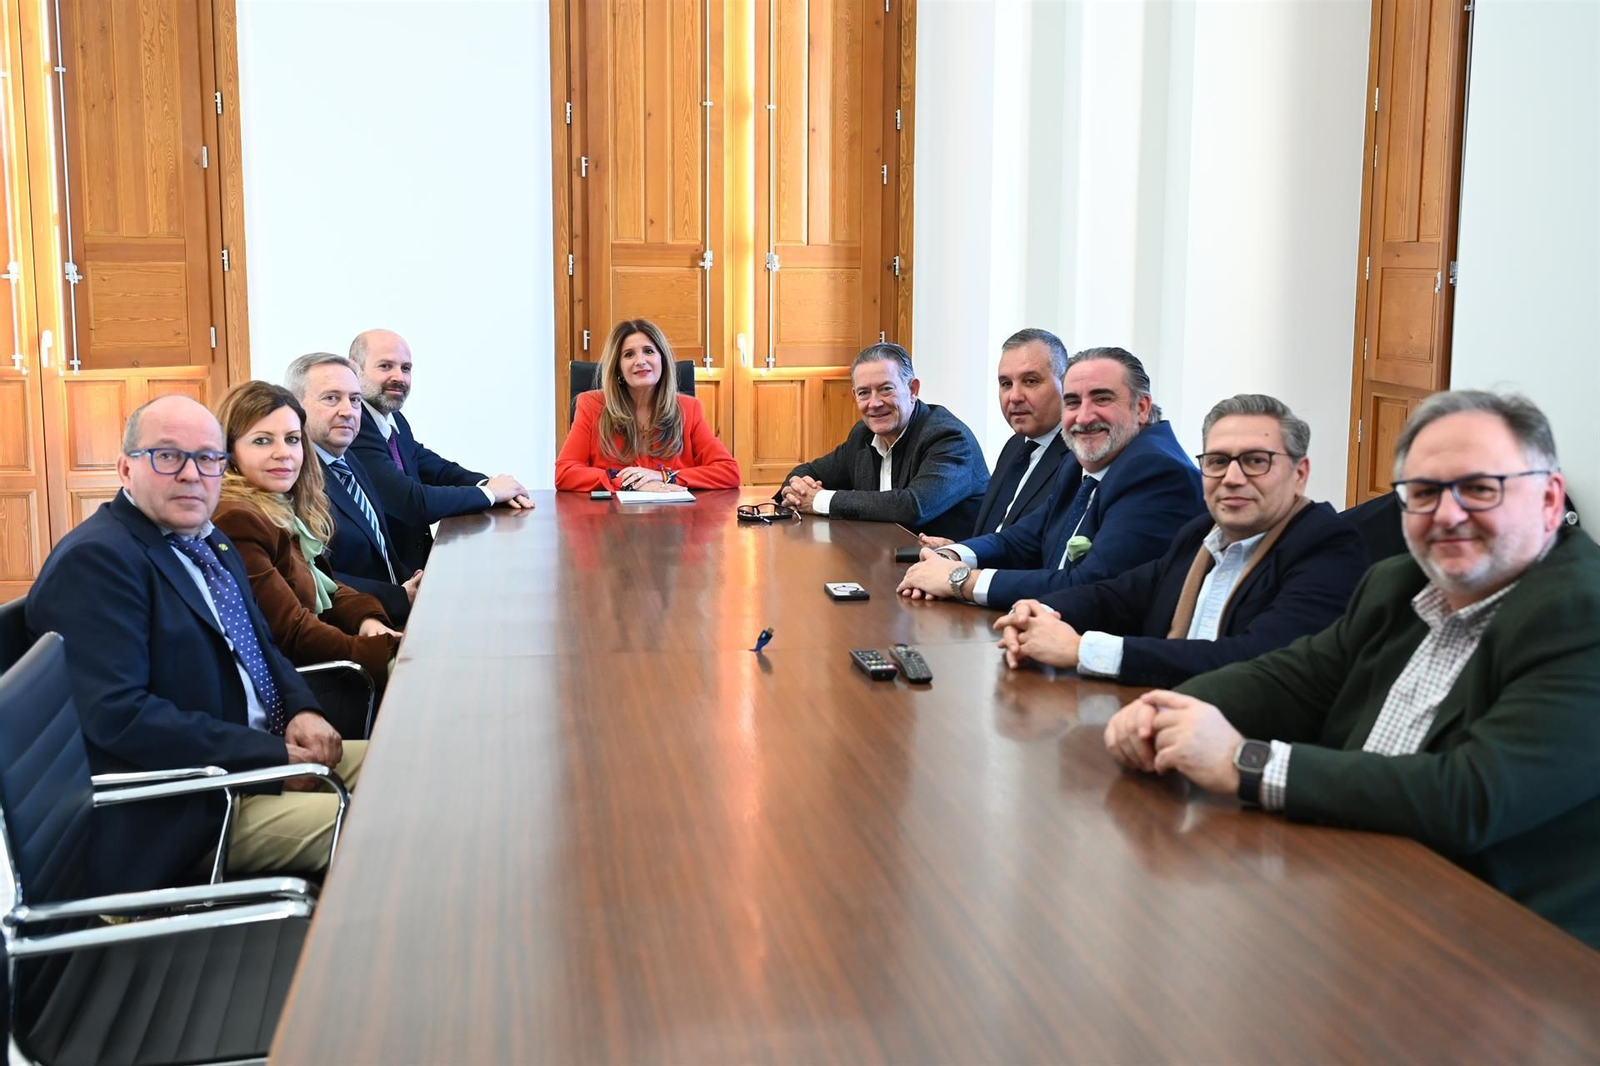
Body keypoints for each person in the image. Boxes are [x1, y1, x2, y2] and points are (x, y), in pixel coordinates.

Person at [1104, 391, 1600, 949]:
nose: (1447, 515)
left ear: (1549, 498)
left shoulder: (1582, 613)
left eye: (1481, 489)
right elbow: (1295, 678)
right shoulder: (1397, 583)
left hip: (1503, 944)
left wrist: (1245, 762)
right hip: (1354, 882)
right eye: (1424, 492)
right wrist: (1172, 709)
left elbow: (1473, 796)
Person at [25, 395, 362, 893]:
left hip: (253, 755)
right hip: (189, 805)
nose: (191, 474)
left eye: (207, 458)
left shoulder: (208, 539)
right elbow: (121, 718)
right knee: (387, 827)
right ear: (125, 468)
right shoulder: (98, 561)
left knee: (410, 768)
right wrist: (268, 757)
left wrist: (302, 709)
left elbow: (262, 647)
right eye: (167, 456)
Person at [994, 394, 1368, 687]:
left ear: (1300, 474)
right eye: (1217, 461)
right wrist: (1038, 612)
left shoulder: (1328, 547)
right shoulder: (1202, 534)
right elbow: (1119, 595)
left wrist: (1081, 649)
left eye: (1256, 461)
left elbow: (1253, 659)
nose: (1232, 478)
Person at [897, 346, 1203, 607]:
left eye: (1101, 399)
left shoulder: (1157, 472)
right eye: (1073, 402)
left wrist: (959, 580)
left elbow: (1089, 586)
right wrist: (951, 555)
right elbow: (1023, 539)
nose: (1083, 417)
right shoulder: (1080, 462)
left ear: (1142, 407)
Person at [211, 380, 401, 697]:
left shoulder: (278, 504)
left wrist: (367, 619)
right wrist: (379, 654)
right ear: (229, 452)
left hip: (323, 665)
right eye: (262, 441)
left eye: (292, 439)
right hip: (297, 688)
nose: (283, 453)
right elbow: (292, 632)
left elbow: (324, 585)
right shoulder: (237, 519)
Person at [348, 328, 531, 575]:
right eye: (385, 366)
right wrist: (490, 493)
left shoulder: (393, 420)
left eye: (406, 368)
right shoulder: (354, 427)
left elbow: (435, 468)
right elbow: (412, 503)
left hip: (420, 564)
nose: (399, 377)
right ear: (354, 370)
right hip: (388, 580)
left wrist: (487, 483)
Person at [776, 343, 988, 539]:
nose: (874, 403)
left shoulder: (948, 438)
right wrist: (797, 489)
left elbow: (913, 507)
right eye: (864, 393)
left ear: (912, 389)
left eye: (886, 389)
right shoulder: (863, 434)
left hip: (944, 562)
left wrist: (819, 500)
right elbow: (809, 471)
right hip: (878, 555)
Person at [287, 352, 419, 627]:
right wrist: (399, 596)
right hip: (355, 627)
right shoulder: (291, 479)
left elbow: (381, 551)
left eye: (355, 399)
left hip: (398, 610)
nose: (348, 411)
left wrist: (418, 581)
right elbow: (315, 576)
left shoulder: (348, 458)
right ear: (296, 408)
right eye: (331, 398)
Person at [555, 319, 741, 492]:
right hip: (612, 514)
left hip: (675, 514)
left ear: (662, 360)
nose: (640, 361)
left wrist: (664, 477)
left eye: (649, 351)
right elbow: (565, 472)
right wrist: (630, 482)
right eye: (629, 354)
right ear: (618, 368)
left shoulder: (688, 409)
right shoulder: (591, 405)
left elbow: (728, 471)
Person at [968, 328, 1071, 537]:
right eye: (1006, 384)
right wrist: (958, 548)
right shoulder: (1015, 445)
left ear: (1065, 384)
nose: (1014, 397)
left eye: (1030, 381)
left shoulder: (1079, 458)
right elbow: (995, 534)